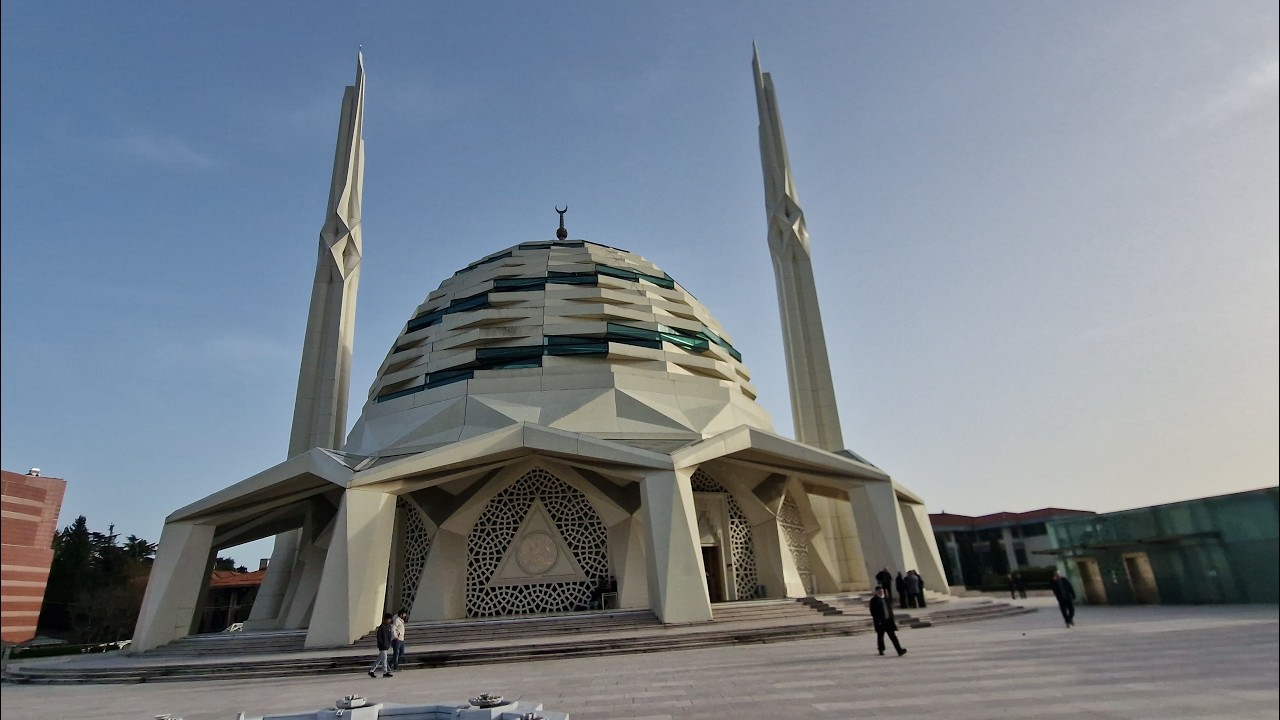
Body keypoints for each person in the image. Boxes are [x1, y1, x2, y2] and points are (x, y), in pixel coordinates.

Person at [868, 586, 907, 656]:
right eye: (879, 591)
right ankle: (881, 649)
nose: (881, 592)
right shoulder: (874, 600)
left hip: (888, 621)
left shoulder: (886, 599)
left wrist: (892, 619)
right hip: (880, 622)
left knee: (893, 636)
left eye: (882, 591)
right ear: (876, 592)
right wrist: (878, 620)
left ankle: (899, 650)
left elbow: (890, 610)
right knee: (880, 636)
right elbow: (873, 612)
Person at [369, 613, 395, 678]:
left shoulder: (389, 626)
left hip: (386, 645)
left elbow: (389, 636)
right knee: (384, 658)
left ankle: (371, 671)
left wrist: (389, 643)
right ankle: (385, 672)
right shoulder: (381, 627)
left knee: (379, 659)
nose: (389, 621)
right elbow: (379, 637)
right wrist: (381, 644)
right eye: (388, 619)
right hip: (382, 645)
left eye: (390, 619)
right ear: (385, 619)